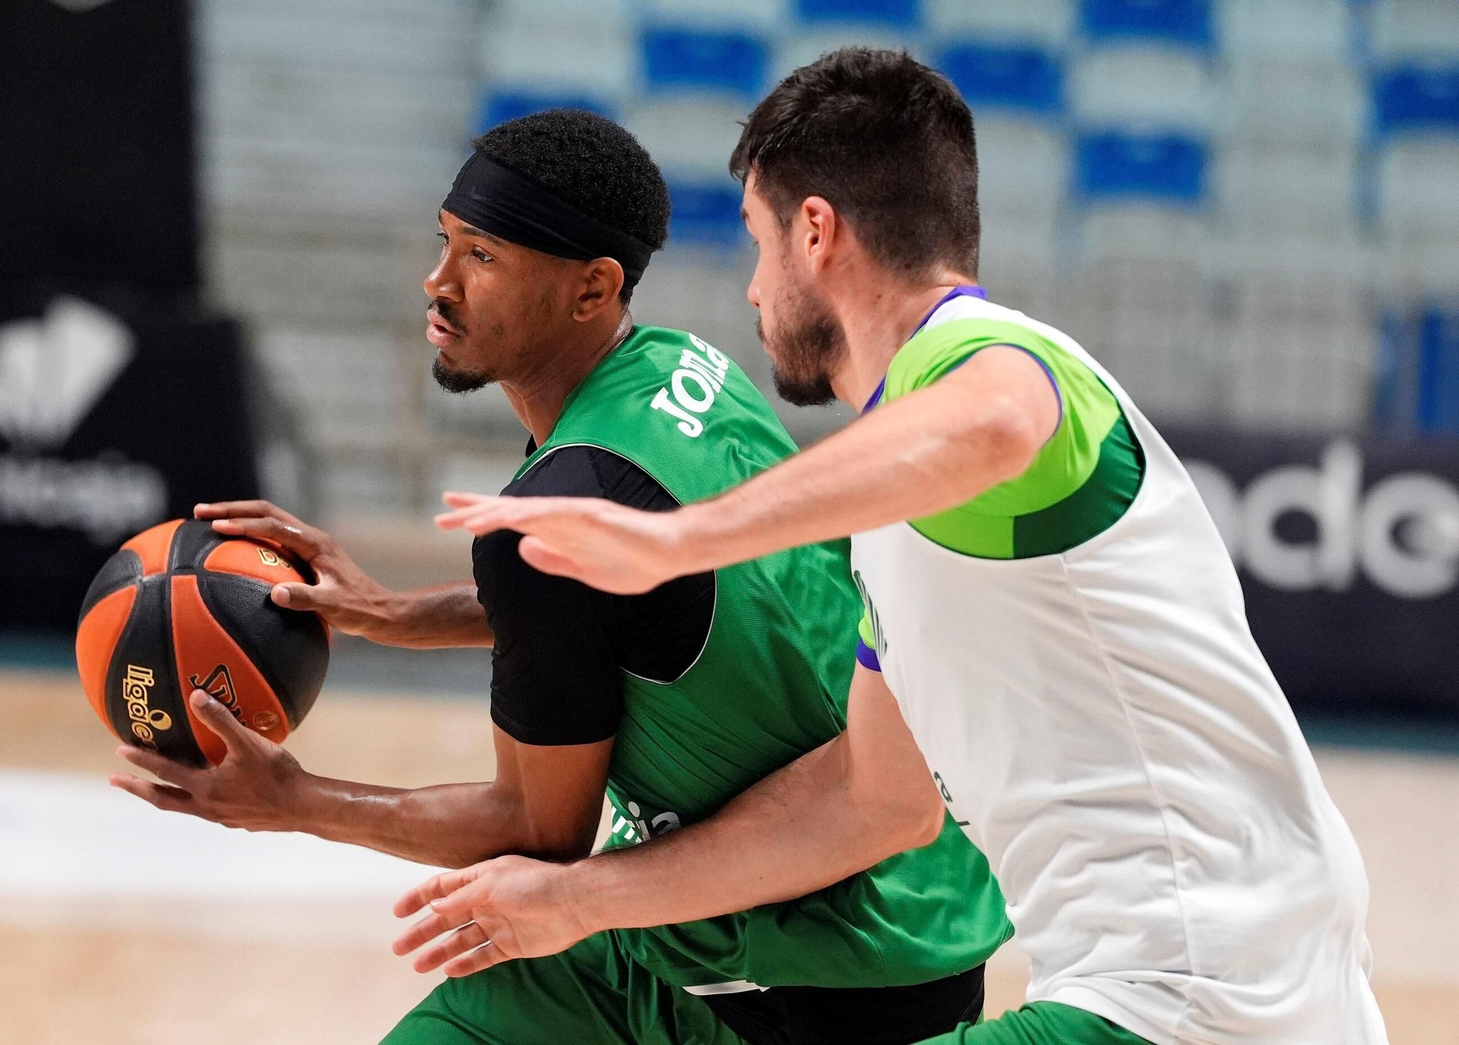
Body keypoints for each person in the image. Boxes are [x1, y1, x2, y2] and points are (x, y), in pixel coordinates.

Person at [398, 51, 1390, 1045]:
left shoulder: (986, 359)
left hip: (1191, 991)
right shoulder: (910, 498)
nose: (750, 291)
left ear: (816, 233)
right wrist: (575, 902)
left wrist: (677, 539)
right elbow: (866, 804)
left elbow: (996, 420)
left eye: (758, 243)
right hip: (1215, 979)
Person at [109, 108, 1010, 1045]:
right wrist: (396, 615)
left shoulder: (558, 508)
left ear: (592, 289)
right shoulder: (687, 370)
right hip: (917, 908)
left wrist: (295, 803)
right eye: (446, 242)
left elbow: (537, 833)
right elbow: (636, 606)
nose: (439, 280)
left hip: (801, 981)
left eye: (484, 258)